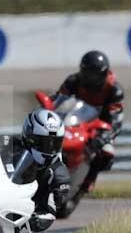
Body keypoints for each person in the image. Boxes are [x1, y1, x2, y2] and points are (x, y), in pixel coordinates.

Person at [54, 50, 125, 194]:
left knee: (107, 151)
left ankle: (90, 178)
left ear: (104, 73)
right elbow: (58, 101)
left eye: (95, 75)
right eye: (88, 74)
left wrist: (106, 135)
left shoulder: (114, 90)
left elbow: (116, 118)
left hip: (99, 124)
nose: (91, 79)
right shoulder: (72, 82)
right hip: (72, 120)